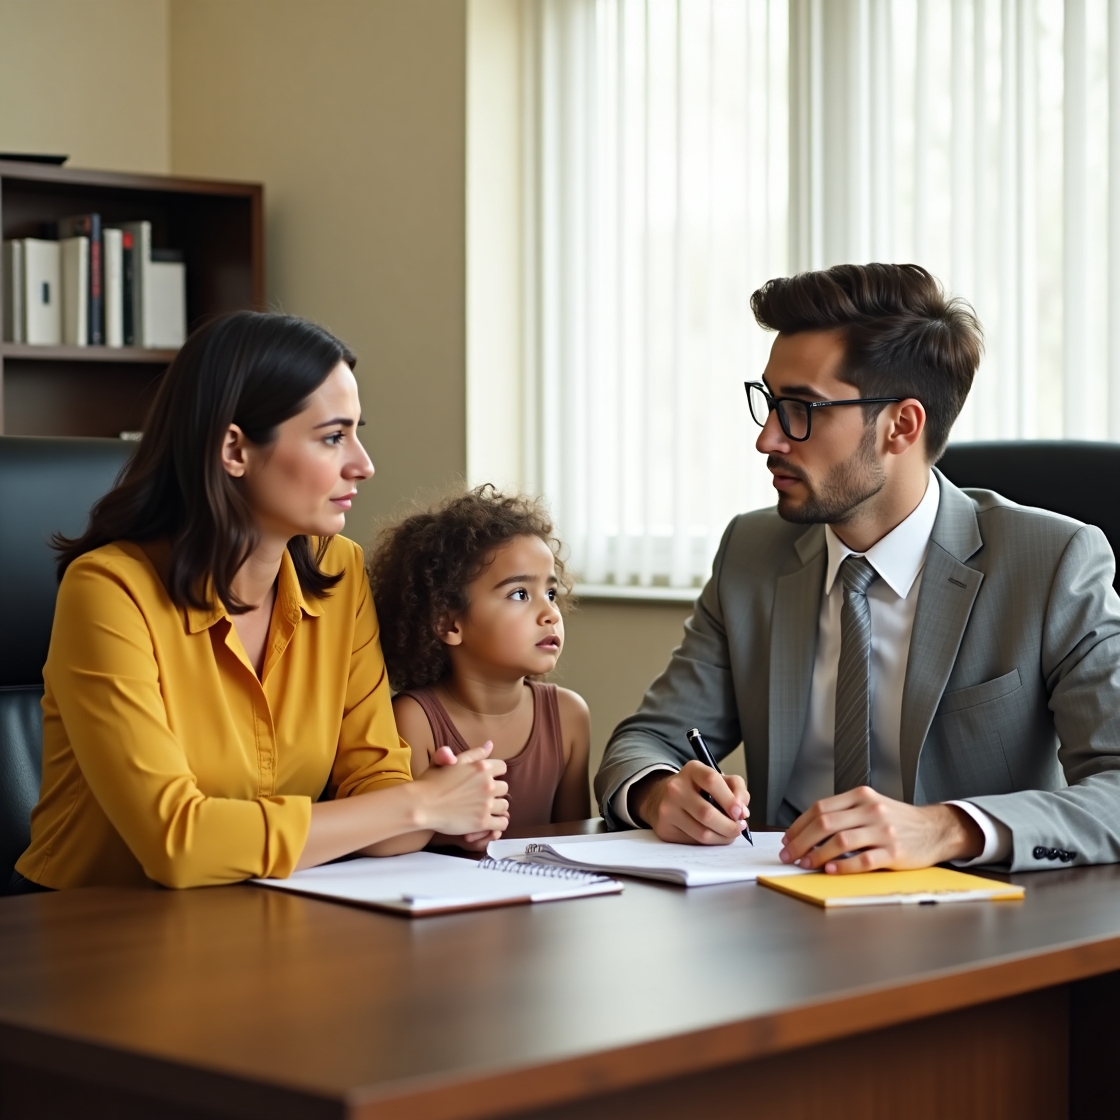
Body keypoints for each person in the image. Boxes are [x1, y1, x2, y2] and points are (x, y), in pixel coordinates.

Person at [595, 263, 1120, 874]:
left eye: (802, 409)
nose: (768, 439)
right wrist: (662, 793)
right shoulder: (751, 551)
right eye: (769, 402)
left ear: (901, 425)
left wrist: (947, 828)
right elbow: (644, 741)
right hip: (776, 914)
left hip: (967, 921)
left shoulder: (1053, 564)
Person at [12, 312, 509, 892]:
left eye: (356, 431)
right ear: (234, 449)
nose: (363, 464)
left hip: (261, 914)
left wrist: (442, 813)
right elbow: (177, 843)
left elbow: (376, 784)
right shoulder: (108, 590)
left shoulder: (337, 570)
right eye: (332, 437)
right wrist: (419, 807)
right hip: (97, 933)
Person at [369, 486, 591, 847]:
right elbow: (399, 843)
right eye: (520, 594)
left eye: (551, 593)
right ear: (449, 624)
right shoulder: (413, 720)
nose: (551, 613)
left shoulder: (569, 717)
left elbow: (575, 843)